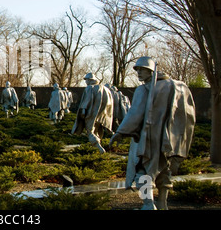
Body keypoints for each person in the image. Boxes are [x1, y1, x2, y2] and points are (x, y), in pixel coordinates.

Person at [109, 56, 195, 210]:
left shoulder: (145, 88)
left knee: (142, 170)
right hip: (171, 140)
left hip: (148, 138)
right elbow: (188, 116)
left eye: (142, 69)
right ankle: (162, 203)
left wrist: (120, 132)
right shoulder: (180, 87)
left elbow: (135, 114)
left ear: (151, 70)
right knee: (164, 169)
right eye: (137, 69)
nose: (138, 73)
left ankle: (148, 204)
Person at [71, 73, 113, 153]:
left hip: (91, 113)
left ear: (89, 80)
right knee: (97, 130)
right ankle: (96, 149)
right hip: (102, 114)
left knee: (90, 131)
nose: (85, 82)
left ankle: (99, 149)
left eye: (86, 80)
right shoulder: (106, 89)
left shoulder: (90, 88)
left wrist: (83, 110)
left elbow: (87, 100)